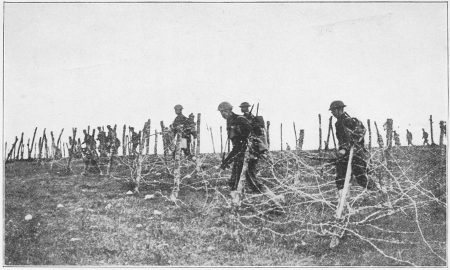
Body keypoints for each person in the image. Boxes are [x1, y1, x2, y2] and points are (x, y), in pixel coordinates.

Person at [218, 101, 283, 210]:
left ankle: (276, 200)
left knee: (253, 182)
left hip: (248, 155)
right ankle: (235, 204)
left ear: (229, 110)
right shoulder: (230, 121)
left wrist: (227, 160)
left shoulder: (240, 120)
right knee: (234, 180)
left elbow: (248, 139)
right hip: (241, 155)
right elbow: (237, 144)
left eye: (224, 112)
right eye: (221, 113)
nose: (222, 114)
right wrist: (228, 160)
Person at [329, 101, 380, 209]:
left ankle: (380, 192)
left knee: (362, 179)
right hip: (345, 155)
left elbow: (360, 132)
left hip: (355, 154)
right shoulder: (338, 123)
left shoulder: (349, 121)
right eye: (332, 111)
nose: (333, 113)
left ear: (340, 109)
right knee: (341, 178)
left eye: (334, 111)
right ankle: (343, 204)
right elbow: (342, 140)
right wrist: (342, 150)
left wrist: (346, 147)